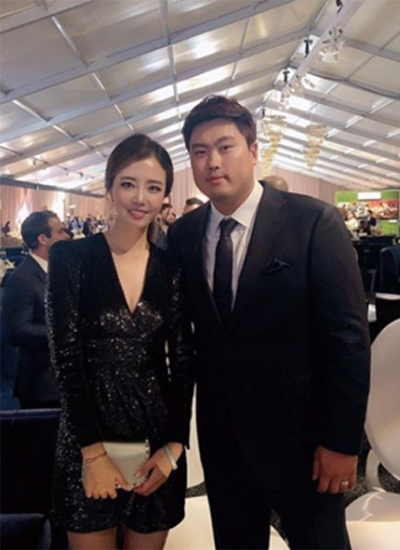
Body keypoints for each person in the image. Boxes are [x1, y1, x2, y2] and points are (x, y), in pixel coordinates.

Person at [168, 95, 370, 550]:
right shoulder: (184, 234)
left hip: (304, 441)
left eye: (225, 147)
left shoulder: (311, 221)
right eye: (199, 151)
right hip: (223, 439)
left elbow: (348, 341)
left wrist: (342, 442)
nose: (212, 162)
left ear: (254, 150)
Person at [46, 134, 193, 550]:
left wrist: (174, 447)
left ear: (164, 195)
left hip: (156, 439)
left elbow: (184, 358)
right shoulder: (71, 258)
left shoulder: (171, 267)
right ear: (109, 188)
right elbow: (65, 358)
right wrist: (92, 454)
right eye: (128, 184)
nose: (140, 198)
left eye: (153, 187)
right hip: (87, 436)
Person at [3, 210, 69, 408]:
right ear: (42, 239)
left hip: (64, 380)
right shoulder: (23, 278)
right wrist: (65, 332)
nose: (67, 236)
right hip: (42, 384)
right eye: (60, 232)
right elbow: (17, 331)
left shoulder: (58, 269)